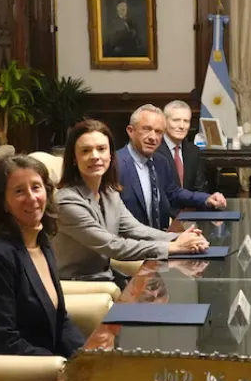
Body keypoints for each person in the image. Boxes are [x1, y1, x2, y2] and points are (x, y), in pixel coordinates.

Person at [54, 119, 211, 286]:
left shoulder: (109, 193)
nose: (95, 156)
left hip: (106, 277)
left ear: (110, 155)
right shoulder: (66, 201)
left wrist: (179, 238)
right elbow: (113, 246)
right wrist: (173, 247)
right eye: (86, 151)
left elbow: (134, 229)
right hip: (79, 284)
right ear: (74, 158)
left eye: (101, 149)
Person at [0, 155, 86, 358]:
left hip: (47, 365)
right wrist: (63, 366)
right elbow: (1, 342)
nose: (31, 198)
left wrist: (89, 357)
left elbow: (60, 319)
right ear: (3, 203)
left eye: (36, 187)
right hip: (14, 377)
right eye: (19, 191)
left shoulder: (41, 241)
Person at [117, 104, 227, 230]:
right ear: (131, 131)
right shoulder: (115, 165)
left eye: (158, 132)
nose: (153, 137)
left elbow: (173, 192)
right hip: (130, 244)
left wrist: (206, 199)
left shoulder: (160, 161)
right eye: (146, 129)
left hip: (161, 240)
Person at [156, 99, 212, 193]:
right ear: (164, 121)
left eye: (186, 121)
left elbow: (200, 188)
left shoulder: (193, 151)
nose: (182, 126)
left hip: (191, 206)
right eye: (176, 120)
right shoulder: (154, 149)